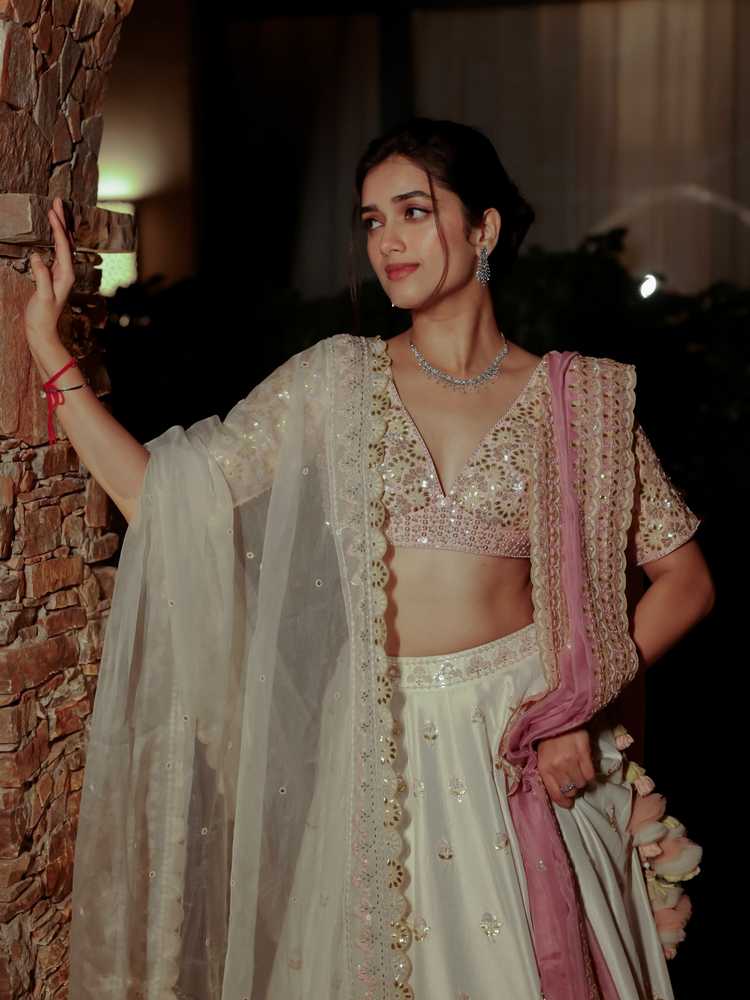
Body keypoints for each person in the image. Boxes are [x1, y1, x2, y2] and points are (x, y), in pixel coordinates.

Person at [25, 119, 714, 1000]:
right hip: (377, 754)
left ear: (484, 228)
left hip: (520, 744)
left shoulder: (575, 401)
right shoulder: (336, 382)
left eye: (414, 212)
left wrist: (573, 709)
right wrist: (51, 350)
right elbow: (166, 502)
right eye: (371, 220)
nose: (387, 241)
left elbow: (686, 582)